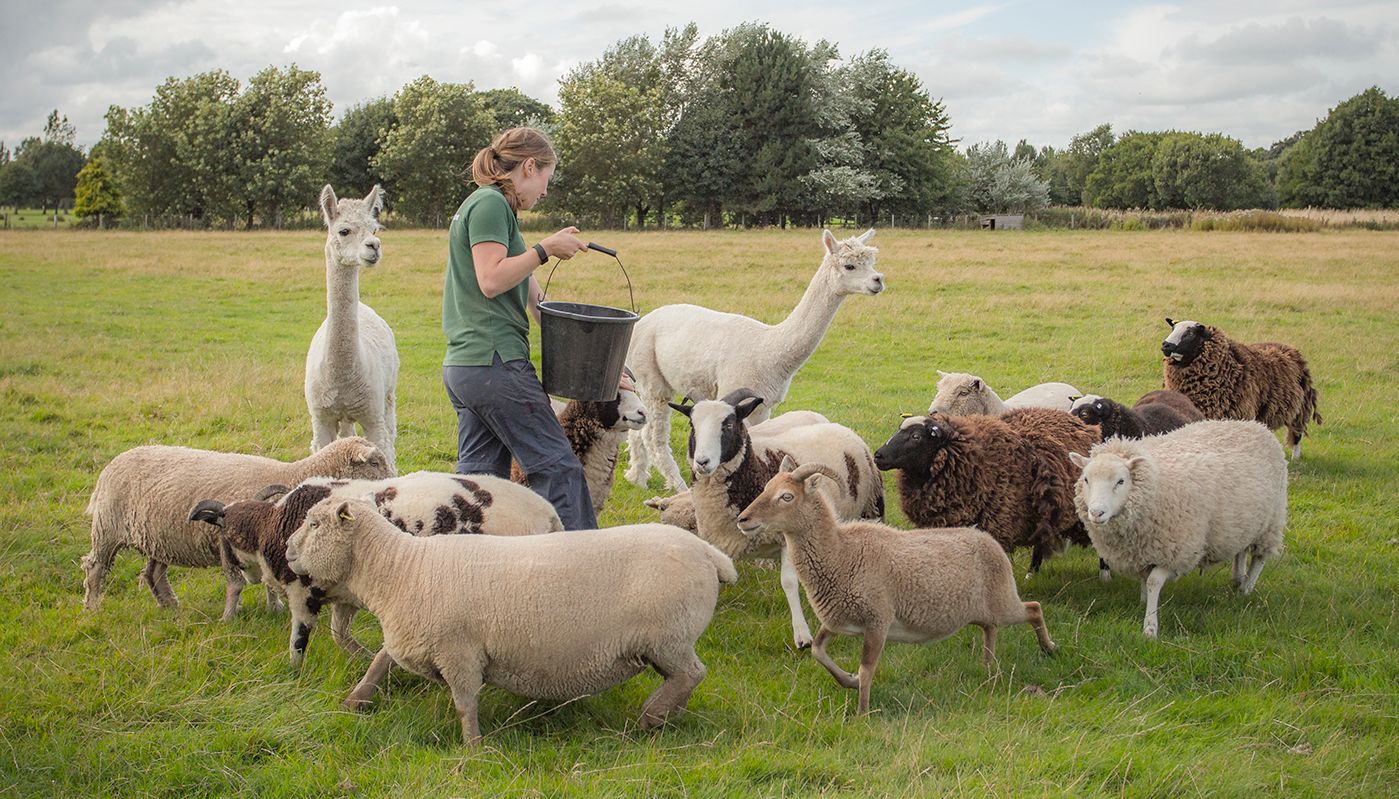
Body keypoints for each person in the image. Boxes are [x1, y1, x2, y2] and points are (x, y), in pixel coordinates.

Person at [441, 127, 600, 530]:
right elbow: (491, 280)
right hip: (496, 365)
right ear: (529, 167)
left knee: (478, 485)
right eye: (546, 177)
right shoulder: (490, 204)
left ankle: (460, 572)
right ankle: (588, 572)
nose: (545, 191)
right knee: (559, 469)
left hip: (468, 368)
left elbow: (539, 306)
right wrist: (544, 250)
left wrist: (609, 368)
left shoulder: (498, 212)